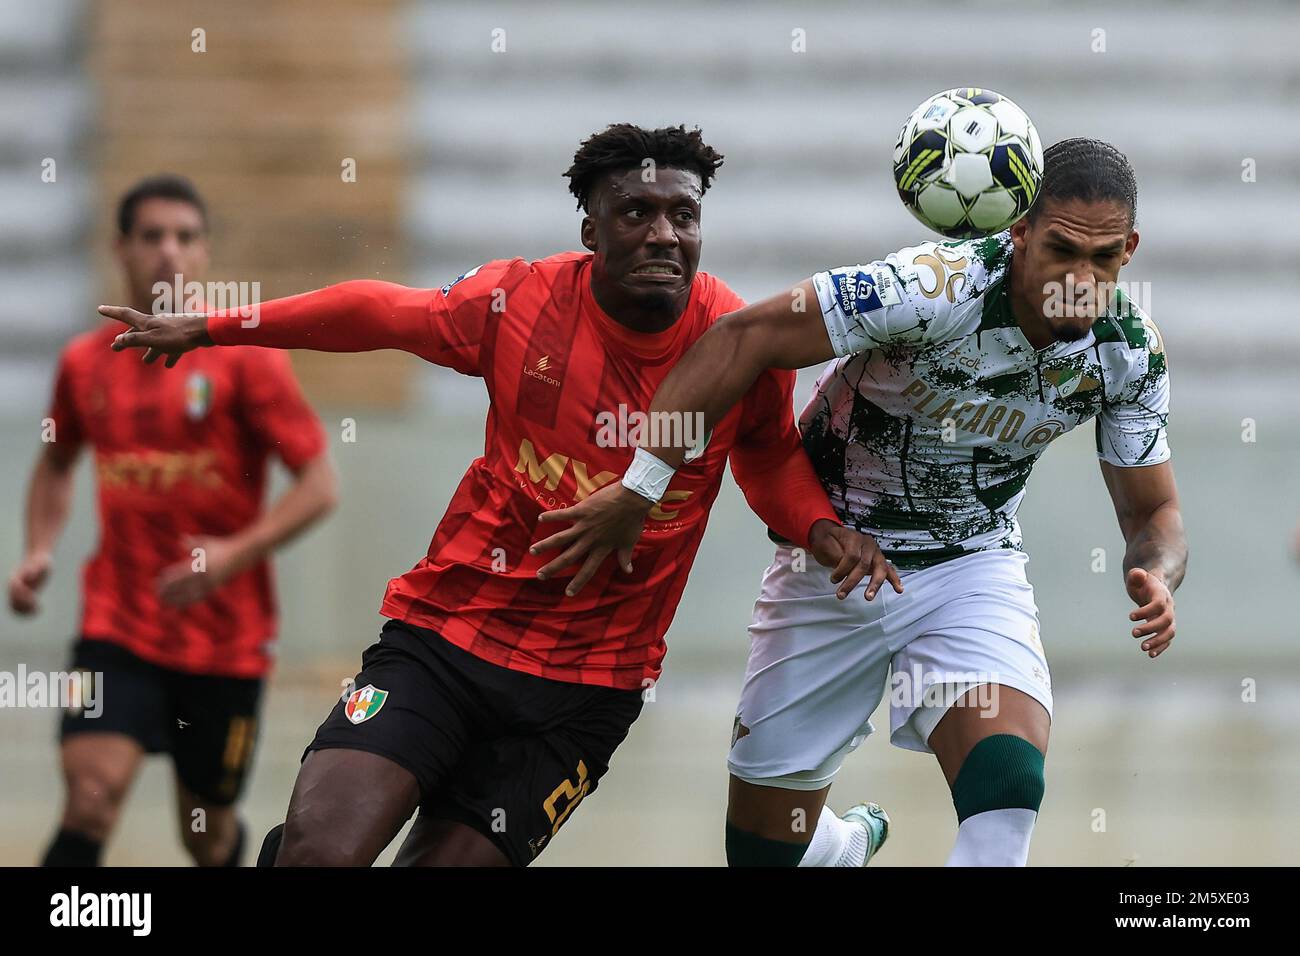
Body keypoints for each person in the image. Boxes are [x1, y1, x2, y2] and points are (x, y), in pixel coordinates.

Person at [103, 126, 893, 867]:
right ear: (592, 230)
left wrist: (820, 529)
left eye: (682, 215)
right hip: (445, 642)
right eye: (636, 213)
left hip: (584, 692)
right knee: (321, 852)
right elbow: (379, 312)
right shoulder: (518, 303)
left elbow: (770, 461)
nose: (663, 234)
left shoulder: (738, 340)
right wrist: (215, 329)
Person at [531, 138, 1187, 866]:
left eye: (1103, 259)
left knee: (1006, 787)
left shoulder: (1128, 352)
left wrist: (1157, 571)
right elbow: (741, 338)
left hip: (968, 570)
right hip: (830, 563)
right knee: (762, 853)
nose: (1080, 279)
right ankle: (839, 849)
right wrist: (641, 486)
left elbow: (1153, 515)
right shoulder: (928, 289)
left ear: (1129, 248)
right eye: (1062, 250)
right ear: (1020, 232)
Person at [9, 174, 337, 866]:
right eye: (152, 236)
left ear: (205, 253)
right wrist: (38, 549)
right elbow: (57, 461)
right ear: (121, 248)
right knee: (91, 796)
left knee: (206, 834)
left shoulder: (246, 359)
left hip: (225, 640)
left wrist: (233, 554)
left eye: (185, 237)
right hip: (117, 625)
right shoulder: (81, 364)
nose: (170, 252)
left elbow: (318, 484)